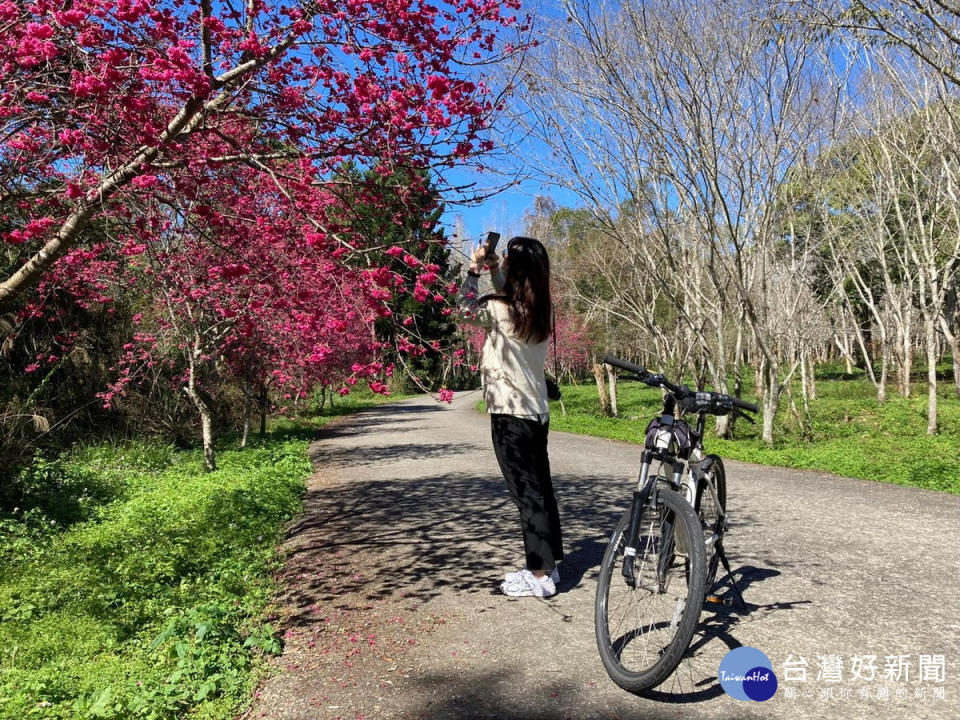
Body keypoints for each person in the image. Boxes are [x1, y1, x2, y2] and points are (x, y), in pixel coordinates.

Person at [458, 235, 563, 598]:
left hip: (509, 414)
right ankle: (551, 564)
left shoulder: (500, 309)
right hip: (536, 412)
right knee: (541, 489)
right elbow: (510, 300)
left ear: (515, 272)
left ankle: (538, 576)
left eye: (505, 263)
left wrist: (474, 269)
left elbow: (463, 310)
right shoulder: (540, 308)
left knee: (526, 494)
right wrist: (494, 269)